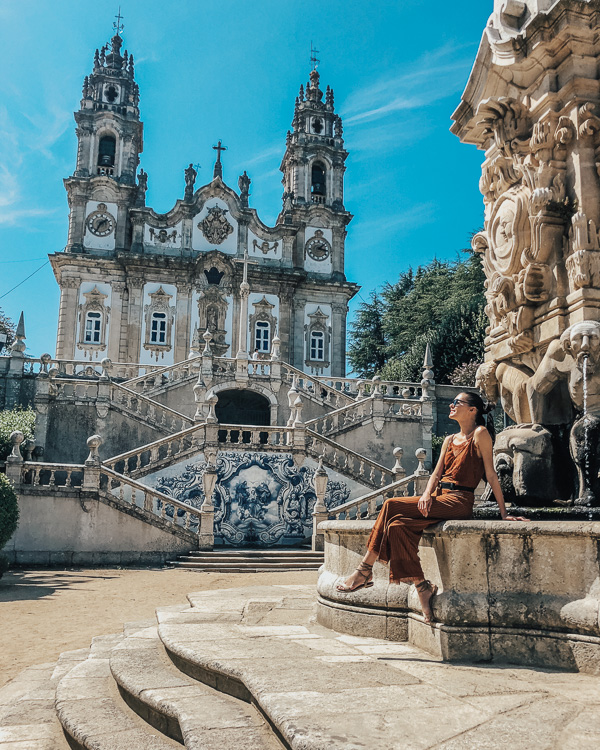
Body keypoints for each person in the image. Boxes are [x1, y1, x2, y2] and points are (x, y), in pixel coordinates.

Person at [336, 392, 528, 623]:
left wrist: (504, 513)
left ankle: (364, 570)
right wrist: (426, 494)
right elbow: (436, 474)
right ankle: (422, 586)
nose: (451, 405)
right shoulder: (449, 440)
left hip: (459, 501)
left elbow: (491, 475)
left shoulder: (480, 434)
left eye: (457, 402)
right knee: (397, 526)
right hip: (439, 496)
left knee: (390, 504)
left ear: (472, 410)